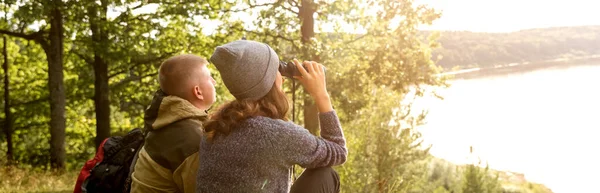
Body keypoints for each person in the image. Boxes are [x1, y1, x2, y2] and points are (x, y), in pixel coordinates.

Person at [196, 40, 347, 193]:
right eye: (276, 68)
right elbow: (338, 151)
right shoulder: (273, 133)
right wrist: (321, 95)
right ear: (270, 80)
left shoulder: (216, 125)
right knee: (325, 174)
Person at [130, 54, 217, 193]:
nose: (214, 82)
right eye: (209, 78)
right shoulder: (190, 137)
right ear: (198, 91)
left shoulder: (167, 121)